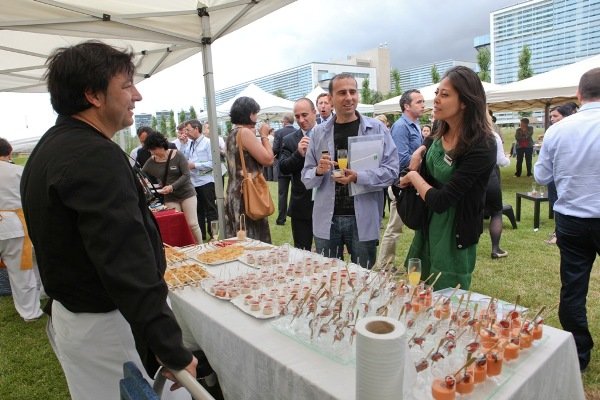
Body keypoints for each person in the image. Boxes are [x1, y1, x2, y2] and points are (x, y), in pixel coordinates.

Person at [20, 42, 197, 399]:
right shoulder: (92, 156)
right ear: (92, 94)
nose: (137, 95)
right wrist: (169, 345)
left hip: (78, 319)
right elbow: (124, 260)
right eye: (127, 85)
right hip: (106, 328)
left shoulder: (50, 149)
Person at [399, 66, 496, 290]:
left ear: (465, 102)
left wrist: (413, 176)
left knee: (445, 295)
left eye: (445, 95)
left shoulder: (482, 144)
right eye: (436, 93)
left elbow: (442, 201)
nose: (436, 100)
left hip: (454, 231)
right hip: (428, 223)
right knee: (419, 289)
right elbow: (431, 141)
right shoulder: (440, 127)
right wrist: (420, 150)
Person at [534, 68, 600, 372]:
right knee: (572, 287)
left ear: (578, 94)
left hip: (571, 217)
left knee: (573, 287)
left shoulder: (558, 130)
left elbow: (542, 175)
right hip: (577, 214)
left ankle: (578, 353)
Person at [301, 73, 398, 268]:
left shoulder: (377, 129)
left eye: (352, 92)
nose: (348, 97)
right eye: (342, 92)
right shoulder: (319, 133)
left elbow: (392, 171)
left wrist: (358, 177)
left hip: (362, 217)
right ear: (330, 99)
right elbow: (306, 177)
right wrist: (319, 171)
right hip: (327, 219)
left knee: (363, 280)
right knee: (328, 279)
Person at [378, 89, 425, 269]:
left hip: (413, 182)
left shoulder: (415, 124)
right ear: (407, 106)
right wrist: (424, 157)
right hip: (402, 184)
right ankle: (385, 265)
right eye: (419, 102)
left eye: (423, 101)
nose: (423, 105)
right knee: (395, 227)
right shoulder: (401, 126)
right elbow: (401, 158)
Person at [0, 138, 43, 322]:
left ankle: (38, 298)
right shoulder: (17, 171)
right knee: (21, 270)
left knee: (27, 265)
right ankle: (30, 312)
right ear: (9, 152)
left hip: (12, 222)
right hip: (13, 225)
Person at [224, 96, 275, 242]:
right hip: (247, 193)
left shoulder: (232, 134)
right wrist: (264, 136)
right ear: (249, 114)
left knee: (238, 238)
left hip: (235, 191)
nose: (257, 117)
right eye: (255, 113)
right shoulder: (244, 133)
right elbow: (268, 159)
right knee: (252, 240)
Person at [142, 132, 203, 245]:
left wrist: (172, 186)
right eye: (150, 150)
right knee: (176, 224)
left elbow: (186, 175)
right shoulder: (151, 161)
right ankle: (182, 249)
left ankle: (201, 246)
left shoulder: (178, 155)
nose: (152, 152)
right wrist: (143, 180)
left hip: (187, 193)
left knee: (192, 223)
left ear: (160, 146)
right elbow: (141, 174)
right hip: (170, 197)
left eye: (153, 149)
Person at [279, 98, 317, 250]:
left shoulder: (328, 133)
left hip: (326, 203)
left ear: (314, 113)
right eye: (297, 116)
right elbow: (282, 167)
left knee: (329, 254)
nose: (301, 120)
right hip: (302, 205)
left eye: (305, 115)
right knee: (302, 252)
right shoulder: (289, 140)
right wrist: (297, 154)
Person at [545, 102, 578, 245]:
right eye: (550, 116)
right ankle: (558, 231)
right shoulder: (552, 131)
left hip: (565, 176)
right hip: (554, 176)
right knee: (555, 204)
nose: (552, 119)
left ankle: (559, 233)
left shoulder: (568, 132)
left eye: (555, 116)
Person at [185, 119, 218, 241]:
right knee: (197, 210)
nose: (186, 133)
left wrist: (195, 165)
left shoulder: (208, 143)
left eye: (188, 130)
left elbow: (213, 163)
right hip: (193, 182)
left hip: (206, 181)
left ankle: (214, 234)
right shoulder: (189, 143)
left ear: (196, 129)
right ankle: (201, 235)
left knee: (211, 210)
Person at [486, 129, 511, 259]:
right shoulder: (492, 135)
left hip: (470, 177)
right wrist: (508, 159)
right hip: (490, 176)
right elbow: (501, 160)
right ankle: (495, 249)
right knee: (496, 212)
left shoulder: (463, 131)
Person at [272, 113, 295, 225]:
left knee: (282, 194)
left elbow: (275, 149)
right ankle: (294, 215)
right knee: (295, 192)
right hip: (295, 166)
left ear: (285, 121)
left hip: (283, 166)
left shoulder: (279, 133)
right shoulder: (297, 132)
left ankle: (281, 219)